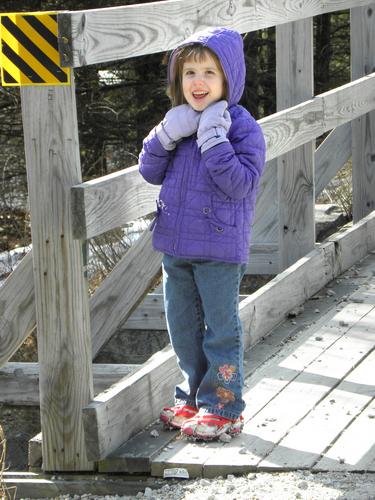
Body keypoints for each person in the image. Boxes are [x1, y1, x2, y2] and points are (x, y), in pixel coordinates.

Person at [138, 26, 266, 440]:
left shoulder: (241, 126)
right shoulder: (178, 122)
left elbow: (241, 184)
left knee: (220, 327)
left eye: (209, 72)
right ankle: (191, 397)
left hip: (219, 247)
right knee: (182, 326)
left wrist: (214, 140)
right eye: (189, 72)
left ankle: (223, 405)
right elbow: (149, 171)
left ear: (228, 78)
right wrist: (163, 136)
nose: (198, 82)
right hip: (176, 243)